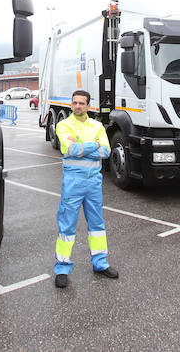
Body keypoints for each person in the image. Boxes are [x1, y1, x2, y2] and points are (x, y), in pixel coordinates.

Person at [52, 89, 117, 288]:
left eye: (82, 103)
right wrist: (93, 145)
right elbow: (70, 149)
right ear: (71, 105)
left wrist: (82, 146)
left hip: (93, 183)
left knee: (97, 225)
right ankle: (62, 268)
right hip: (73, 182)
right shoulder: (63, 125)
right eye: (75, 103)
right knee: (67, 226)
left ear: (88, 106)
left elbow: (105, 152)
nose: (78, 106)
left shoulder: (97, 125)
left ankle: (100, 263)